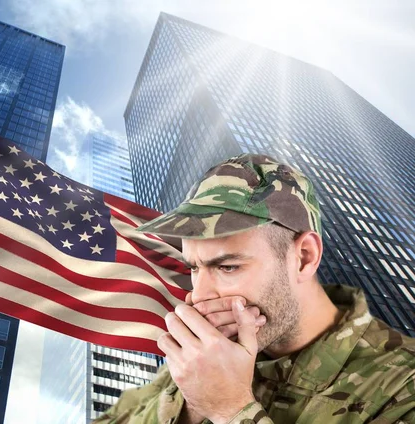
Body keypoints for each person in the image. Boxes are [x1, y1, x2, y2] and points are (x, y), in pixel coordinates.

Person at [92, 154, 415, 424]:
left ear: (304, 258)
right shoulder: (203, 361)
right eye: (194, 267)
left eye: (228, 267)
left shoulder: (403, 383)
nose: (200, 295)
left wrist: (230, 410)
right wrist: (190, 404)